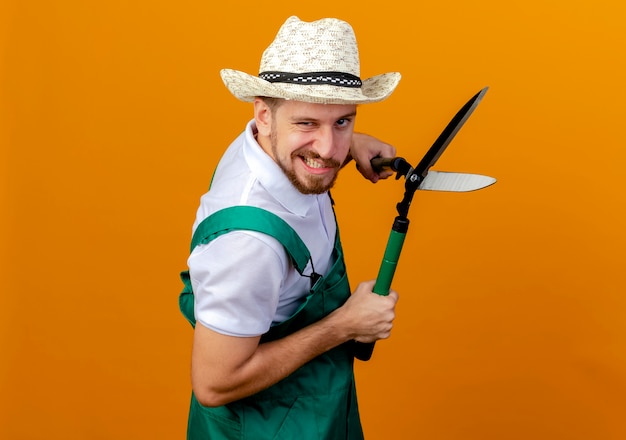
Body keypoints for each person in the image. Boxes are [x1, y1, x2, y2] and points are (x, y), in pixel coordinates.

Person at [179, 16, 401, 439]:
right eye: (306, 124)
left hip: (314, 404)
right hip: (265, 426)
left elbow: (318, 136)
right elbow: (213, 383)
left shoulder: (263, 142)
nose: (328, 149)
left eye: (342, 121)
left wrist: (355, 143)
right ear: (263, 115)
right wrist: (344, 326)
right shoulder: (248, 244)